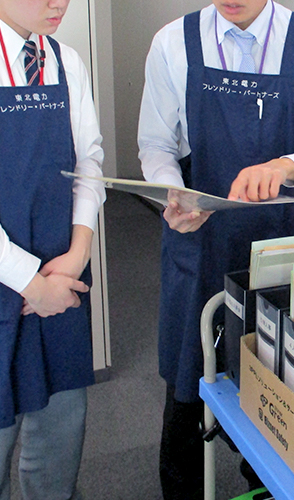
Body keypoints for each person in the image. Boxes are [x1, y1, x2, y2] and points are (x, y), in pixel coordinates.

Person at [138, 0, 294, 498]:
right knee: (187, 390)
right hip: (200, 242)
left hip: (281, 246)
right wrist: (172, 189)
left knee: (278, 399)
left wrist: (285, 166)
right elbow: (156, 145)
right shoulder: (173, 42)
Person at [0, 0, 105, 498]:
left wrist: (79, 249)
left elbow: (89, 160)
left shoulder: (66, 61)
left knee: (60, 431)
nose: (56, 2)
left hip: (62, 277)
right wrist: (30, 282)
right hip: (16, 283)